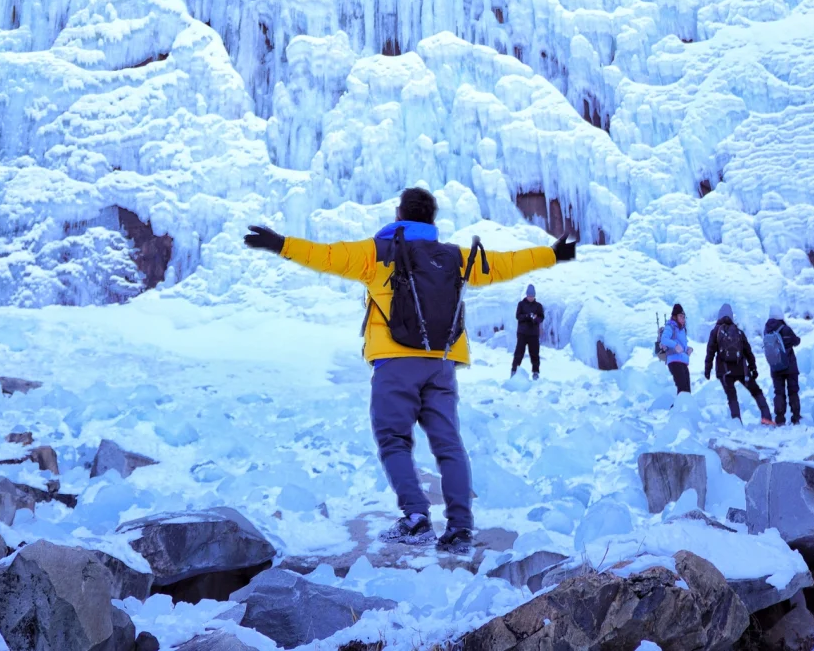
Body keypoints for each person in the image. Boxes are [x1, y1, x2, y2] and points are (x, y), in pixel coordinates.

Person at [245, 186, 575, 554]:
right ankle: (461, 528)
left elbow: (325, 255)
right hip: (442, 361)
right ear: (432, 221)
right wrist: (552, 253)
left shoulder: (378, 251)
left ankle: (416, 518)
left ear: (399, 215)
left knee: (393, 439)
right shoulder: (454, 257)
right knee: (449, 444)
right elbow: (502, 263)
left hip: (395, 361)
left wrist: (279, 244)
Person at [704, 303, 773, 425]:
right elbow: (748, 351)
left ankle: (737, 423)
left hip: (724, 372)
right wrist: (753, 368)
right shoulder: (738, 332)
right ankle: (766, 417)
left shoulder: (715, 332)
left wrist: (707, 369)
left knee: (732, 396)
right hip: (741, 369)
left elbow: (710, 352)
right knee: (756, 391)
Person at [764, 305, 802, 425]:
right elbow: (796, 341)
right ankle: (795, 417)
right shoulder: (785, 329)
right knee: (793, 391)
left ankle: (780, 419)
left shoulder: (767, 329)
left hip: (775, 367)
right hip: (790, 366)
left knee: (779, 392)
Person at [511, 284, 545, 378]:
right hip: (522, 333)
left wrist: (535, 318)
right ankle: (514, 371)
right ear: (526, 295)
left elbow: (541, 318)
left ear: (534, 296)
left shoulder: (538, 306)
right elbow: (518, 316)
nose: (530, 297)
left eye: (532, 296)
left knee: (534, 354)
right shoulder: (521, 304)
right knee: (519, 353)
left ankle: (535, 372)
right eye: (529, 296)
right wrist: (526, 316)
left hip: (533, 334)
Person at [659, 303, 692, 393]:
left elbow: (680, 346)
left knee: (687, 391)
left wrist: (688, 349)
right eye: (680, 316)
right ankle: (677, 407)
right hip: (674, 361)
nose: (683, 319)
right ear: (674, 316)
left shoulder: (681, 329)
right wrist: (675, 345)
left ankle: (682, 406)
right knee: (683, 389)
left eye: (684, 317)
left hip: (683, 361)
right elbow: (664, 339)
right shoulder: (670, 326)